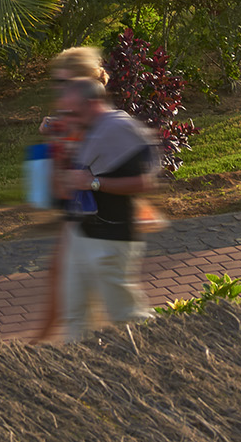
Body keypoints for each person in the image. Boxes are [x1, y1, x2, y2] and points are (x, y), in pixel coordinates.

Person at [50, 44, 157, 339]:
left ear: (84, 88)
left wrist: (93, 183)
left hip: (111, 238)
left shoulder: (116, 128)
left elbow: (145, 182)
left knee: (128, 315)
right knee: (74, 316)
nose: (59, 95)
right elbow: (62, 187)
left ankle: (167, 351)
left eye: (64, 84)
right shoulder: (77, 127)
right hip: (81, 234)